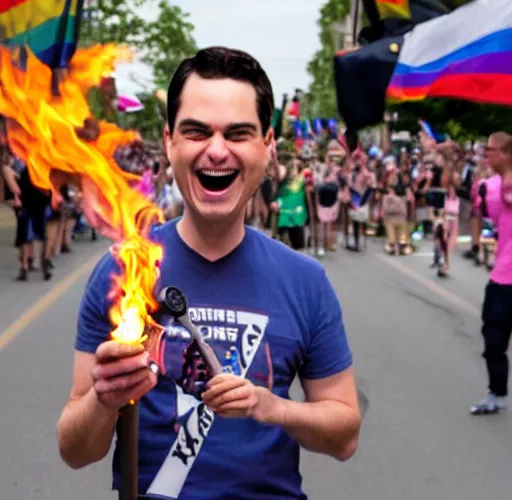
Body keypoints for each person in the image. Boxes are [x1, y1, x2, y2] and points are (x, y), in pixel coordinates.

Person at [57, 47, 361, 499]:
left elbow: (344, 435)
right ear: (169, 142)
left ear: (268, 145)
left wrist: (271, 406)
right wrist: (106, 398)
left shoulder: (305, 280)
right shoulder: (122, 270)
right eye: (196, 131)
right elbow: (76, 450)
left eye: (238, 133)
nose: (216, 150)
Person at [470, 132, 512, 415]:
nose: (487, 155)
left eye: (492, 151)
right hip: (503, 277)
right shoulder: (493, 185)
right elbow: (488, 210)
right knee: (493, 339)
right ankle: (495, 394)